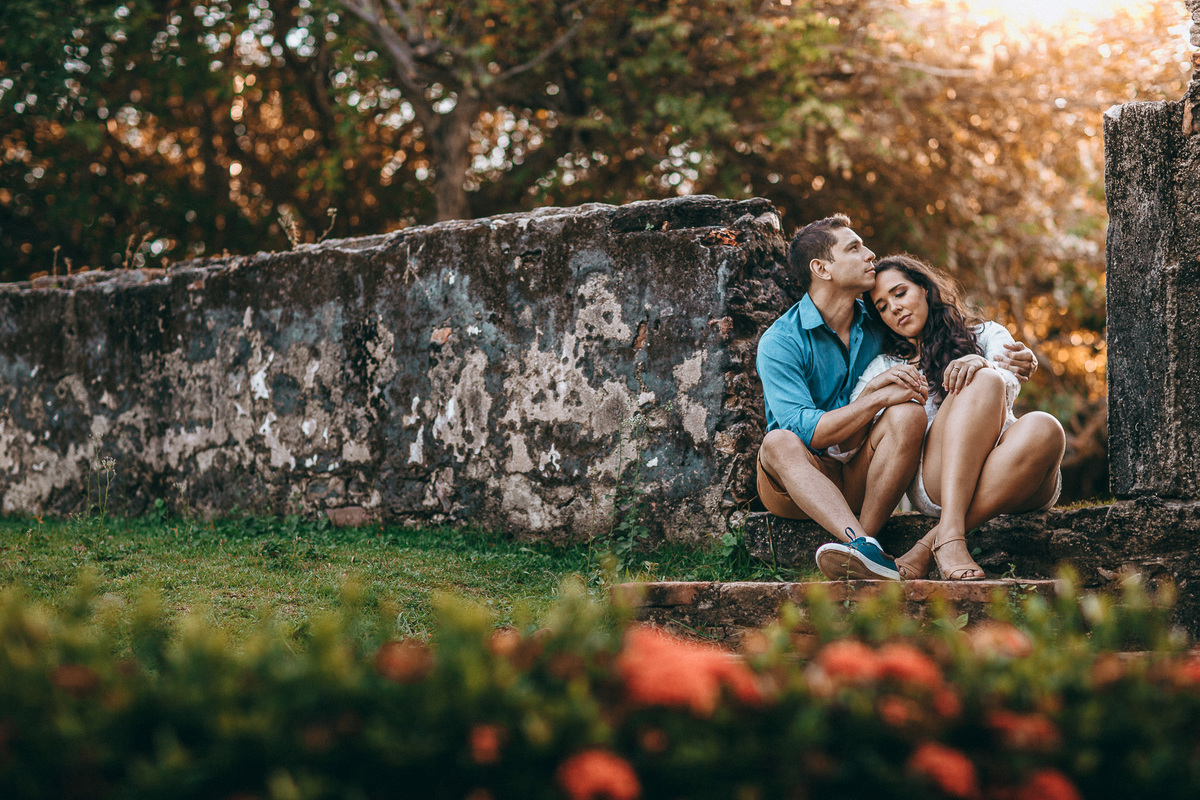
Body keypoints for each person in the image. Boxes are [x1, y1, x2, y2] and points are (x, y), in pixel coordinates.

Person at [852, 254, 1064, 580]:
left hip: (1013, 467)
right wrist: (879, 394)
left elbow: (1009, 377)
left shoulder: (985, 333)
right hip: (938, 482)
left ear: (924, 288)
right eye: (881, 306)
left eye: (899, 293)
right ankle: (948, 536)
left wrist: (983, 364)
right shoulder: (885, 366)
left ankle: (927, 544)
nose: (893, 308)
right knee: (984, 376)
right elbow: (853, 434)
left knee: (1045, 425)